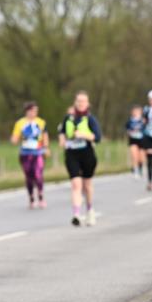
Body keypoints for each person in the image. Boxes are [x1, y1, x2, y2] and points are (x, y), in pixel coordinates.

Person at [57, 91, 102, 227]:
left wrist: (84, 135)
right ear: (75, 103)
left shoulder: (91, 119)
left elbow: (98, 137)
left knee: (87, 185)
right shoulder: (68, 118)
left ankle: (89, 210)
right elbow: (62, 132)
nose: (81, 104)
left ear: (88, 104)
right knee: (76, 184)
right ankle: (76, 214)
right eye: (78, 101)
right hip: (72, 154)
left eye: (83, 101)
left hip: (87, 154)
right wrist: (62, 140)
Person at [10, 101, 49, 208]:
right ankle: (31, 196)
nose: (34, 113)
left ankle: (40, 195)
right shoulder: (20, 123)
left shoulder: (41, 122)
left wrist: (46, 148)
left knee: (38, 174)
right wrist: (14, 140)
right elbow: (15, 137)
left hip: (38, 152)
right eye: (32, 111)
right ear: (27, 111)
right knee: (29, 176)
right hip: (25, 153)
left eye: (36, 111)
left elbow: (45, 136)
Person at [125, 105, 145, 179]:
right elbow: (127, 129)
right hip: (133, 140)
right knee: (134, 155)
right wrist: (129, 132)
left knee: (141, 157)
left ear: (140, 112)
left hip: (142, 140)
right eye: (134, 111)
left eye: (137, 111)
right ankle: (135, 170)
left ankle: (140, 168)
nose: (135, 113)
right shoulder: (130, 121)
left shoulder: (143, 120)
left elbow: (145, 129)